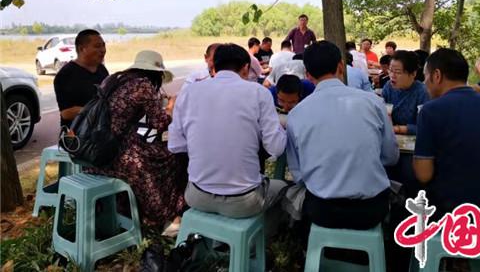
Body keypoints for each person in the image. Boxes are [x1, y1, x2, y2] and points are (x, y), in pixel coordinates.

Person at [285, 41, 398, 230]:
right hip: (371, 210)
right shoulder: (373, 102)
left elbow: (298, 174)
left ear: (307, 74)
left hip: (322, 211)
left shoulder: (297, 114)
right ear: (340, 66)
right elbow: (391, 157)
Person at [168, 43, 287, 218]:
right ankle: (261, 238)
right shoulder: (258, 92)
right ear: (246, 68)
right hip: (244, 201)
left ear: (213, 67)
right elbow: (276, 148)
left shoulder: (188, 92)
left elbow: (175, 145)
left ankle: (217, 240)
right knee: (283, 187)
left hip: (197, 195)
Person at [87, 50, 186, 232]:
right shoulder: (143, 85)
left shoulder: (115, 79)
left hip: (96, 150)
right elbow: (160, 123)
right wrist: (171, 108)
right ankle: (165, 216)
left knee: (159, 151)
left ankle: (131, 210)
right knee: (173, 157)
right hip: (117, 154)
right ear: (156, 73)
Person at [414, 48, 480, 225]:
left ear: (437, 75)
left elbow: (424, 175)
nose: (425, 82)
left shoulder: (432, 110)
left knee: (409, 190)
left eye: (425, 76)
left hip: (452, 212)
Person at [54, 29, 108, 127]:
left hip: (101, 133)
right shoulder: (66, 75)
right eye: (97, 46)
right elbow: (66, 113)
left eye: (103, 45)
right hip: (77, 136)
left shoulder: (102, 69)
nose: (103, 50)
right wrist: (97, 110)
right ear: (82, 49)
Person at [382, 50, 429, 135]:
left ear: (413, 74)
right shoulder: (388, 87)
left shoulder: (423, 92)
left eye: (398, 72)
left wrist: (397, 129)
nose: (392, 75)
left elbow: (425, 127)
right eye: (391, 71)